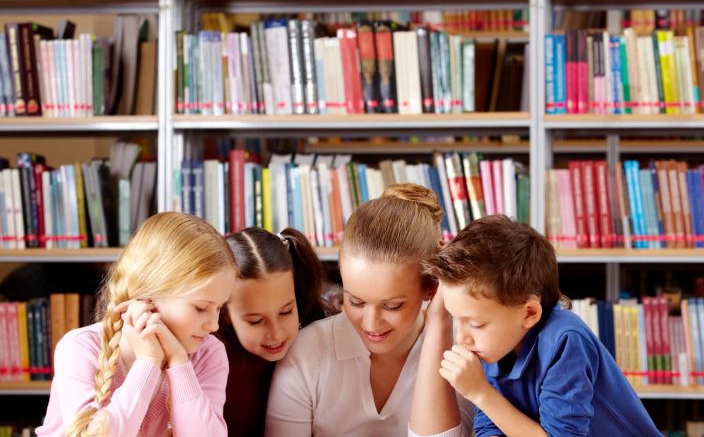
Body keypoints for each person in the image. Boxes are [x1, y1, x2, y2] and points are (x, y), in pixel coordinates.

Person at [423, 215, 661, 437]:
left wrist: (480, 392)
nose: (463, 338)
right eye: (456, 319)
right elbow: (490, 425)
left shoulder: (565, 340)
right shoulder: (494, 344)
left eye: (475, 323)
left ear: (529, 313)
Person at [266, 184, 473, 437]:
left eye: (392, 306)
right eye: (356, 301)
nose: (372, 324)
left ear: (431, 286)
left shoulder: (462, 349)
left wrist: (440, 318)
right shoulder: (308, 353)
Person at [36, 212, 237, 437]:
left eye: (219, 307)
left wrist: (179, 363)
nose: (214, 325)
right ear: (148, 296)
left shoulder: (209, 353)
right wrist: (148, 362)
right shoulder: (80, 348)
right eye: (200, 308)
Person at [219, 227, 336, 437]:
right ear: (225, 312)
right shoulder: (210, 360)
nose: (275, 333)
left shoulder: (321, 334)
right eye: (255, 321)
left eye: (285, 312)